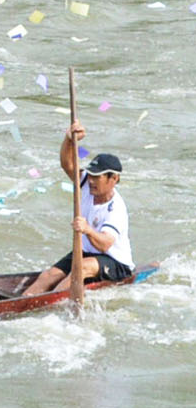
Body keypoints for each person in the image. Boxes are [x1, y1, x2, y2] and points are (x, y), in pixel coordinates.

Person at [28, 123, 134, 295]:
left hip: (115, 263)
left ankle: (47, 304)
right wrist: (69, 139)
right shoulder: (86, 185)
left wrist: (87, 230)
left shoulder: (116, 209)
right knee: (48, 276)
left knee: (80, 269)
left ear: (113, 178)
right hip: (85, 253)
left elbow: (105, 244)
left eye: (97, 177)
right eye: (91, 175)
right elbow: (67, 164)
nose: (91, 180)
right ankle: (23, 303)